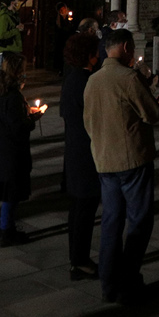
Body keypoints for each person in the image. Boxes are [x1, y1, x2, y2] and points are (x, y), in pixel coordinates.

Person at [83, 27, 159, 303]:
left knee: (111, 223)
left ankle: (108, 282)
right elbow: (153, 114)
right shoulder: (129, 78)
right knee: (140, 220)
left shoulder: (93, 81)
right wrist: (152, 96)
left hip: (104, 159)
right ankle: (128, 278)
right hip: (132, 160)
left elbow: (88, 121)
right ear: (127, 48)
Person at [58, 33, 101, 280]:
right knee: (84, 209)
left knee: (78, 209)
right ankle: (80, 261)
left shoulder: (72, 77)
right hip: (85, 152)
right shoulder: (86, 81)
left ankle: (76, 259)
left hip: (75, 150)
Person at [0, 53, 42, 246]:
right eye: (23, 69)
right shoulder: (12, 96)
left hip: (4, 148)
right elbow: (17, 126)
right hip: (12, 151)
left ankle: (6, 226)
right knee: (12, 192)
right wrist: (32, 120)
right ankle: (6, 230)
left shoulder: (1, 92)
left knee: (10, 191)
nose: (25, 73)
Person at [0, 0, 25, 95]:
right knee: (2, 74)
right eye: (17, 0)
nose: (18, 3)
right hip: (5, 49)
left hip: (10, 48)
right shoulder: (3, 15)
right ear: (12, 2)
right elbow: (2, 34)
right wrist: (16, 30)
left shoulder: (11, 14)